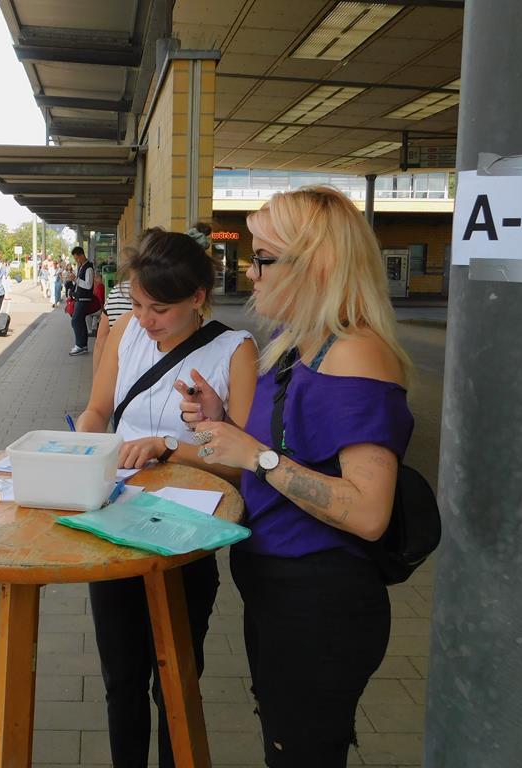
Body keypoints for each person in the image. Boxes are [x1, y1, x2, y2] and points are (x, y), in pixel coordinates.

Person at [183, 186, 415, 767]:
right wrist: (222, 422)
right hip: (279, 586)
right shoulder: (301, 344)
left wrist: (254, 456)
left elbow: (369, 512)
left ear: (318, 265)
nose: (249, 272)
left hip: (320, 600)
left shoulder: (356, 355)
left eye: (263, 258)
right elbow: (291, 446)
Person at [75, 227, 258, 768]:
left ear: (197, 297)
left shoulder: (235, 351)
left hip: (186, 533)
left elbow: (243, 462)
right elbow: (97, 409)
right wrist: (83, 444)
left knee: (174, 678)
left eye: (160, 308)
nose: (145, 319)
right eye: (137, 304)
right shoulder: (127, 330)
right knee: (121, 678)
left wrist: (171, 445)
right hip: (112, 521)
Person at [92, 245, 137, 373]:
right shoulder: (154, 292)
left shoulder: (116, 292)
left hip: (117, 364)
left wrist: (96, 378)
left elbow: (101, 340)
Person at [68, 246, 94, 356]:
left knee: (75, 321)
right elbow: (80, 283)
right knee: (80, 321)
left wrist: (75, 279)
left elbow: (88, 285)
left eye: (77, 258)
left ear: (82, 255)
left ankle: (79, 345)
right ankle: (83, 346)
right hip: (80, 298)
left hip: (84, 299)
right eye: (75, 259)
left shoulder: (88, 268)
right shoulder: (81, 267)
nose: (76, 260)